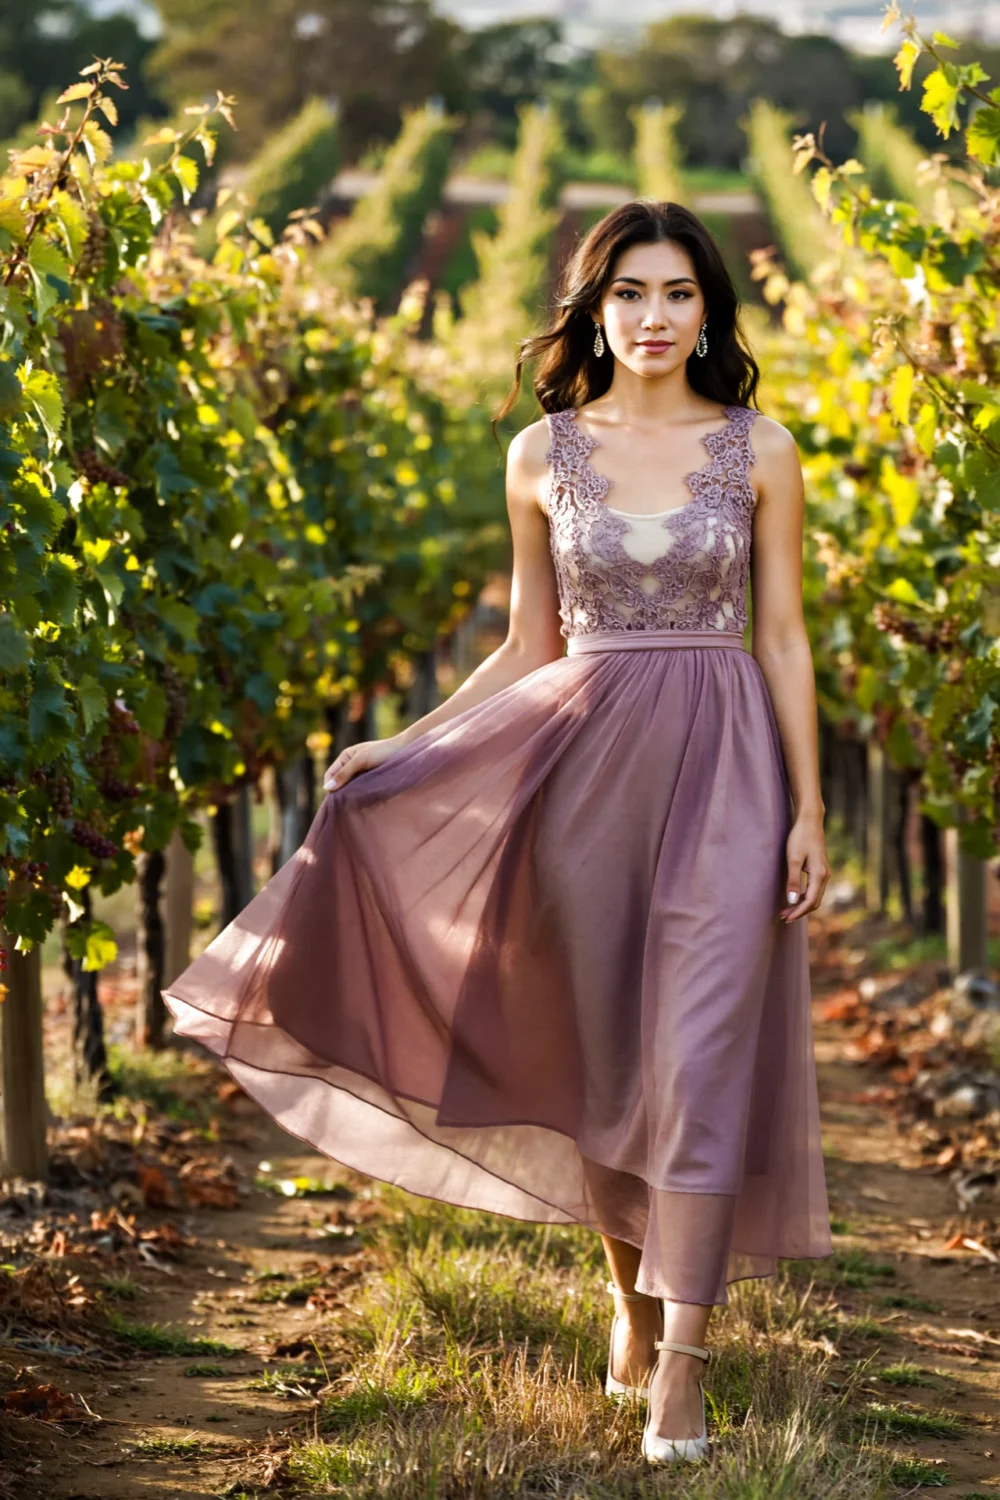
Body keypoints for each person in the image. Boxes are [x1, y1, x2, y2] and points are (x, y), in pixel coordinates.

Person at [163, 199, 833, 1466]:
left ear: (709, 313)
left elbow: (785, 638)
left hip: (727, 765)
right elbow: (528, 646)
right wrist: (408, 745)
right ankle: (627, 1298)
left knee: (694, 1052)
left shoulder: (762, 448)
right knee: (600, 1060)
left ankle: (680, 1364)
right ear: (592, 310)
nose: (651, 318)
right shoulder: (539, 454)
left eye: (677, 294)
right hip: (579, 774)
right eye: (627, 294)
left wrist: (805, 809)